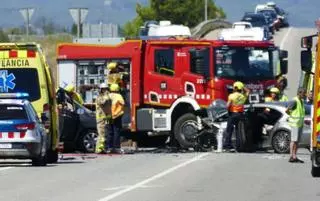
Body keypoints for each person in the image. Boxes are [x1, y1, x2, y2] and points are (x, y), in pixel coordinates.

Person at [223, 81, 250, 151]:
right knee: (239, 131)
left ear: (235, 88)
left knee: (229, 130)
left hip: (233, 114)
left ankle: (227, 145)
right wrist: (242, 87)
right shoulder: (243, 96)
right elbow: (248, 91)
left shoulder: (231, 96)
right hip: (240, 115)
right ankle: (239, 146)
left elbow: (227, 105)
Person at [286, 87, 306, 163]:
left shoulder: (301, 101)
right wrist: (291, 115)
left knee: (297, 141)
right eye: (303, 93)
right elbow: (287, 110)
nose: (304, 95)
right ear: (299, 93)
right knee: (293, 140)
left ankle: (295, 156)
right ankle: (291, 156)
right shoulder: (294, 100)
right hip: (295, 123)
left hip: (300, 123)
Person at [107, 83, 125, 154]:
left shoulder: (108, 95)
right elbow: (123, 103)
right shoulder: (119, 96)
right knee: (116, 131)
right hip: (117, 116)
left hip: (109, 116)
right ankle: (117, 148)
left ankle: (109, 147)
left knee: (110, 132)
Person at [95, 83, 111, 154]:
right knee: (101, 134)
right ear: (101, 90)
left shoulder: (107, 97)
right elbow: (102, 102)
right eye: (104, 89)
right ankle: (99, 149)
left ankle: (102, 148)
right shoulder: (99, 97)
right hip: (101, 118)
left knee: (104, 134)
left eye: (106, 89)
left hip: (105, 118)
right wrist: (106, 96)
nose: (106, 91)